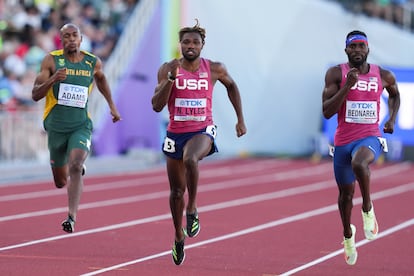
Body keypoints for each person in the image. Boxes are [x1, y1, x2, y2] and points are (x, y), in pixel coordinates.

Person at [151, 20, 247, 265]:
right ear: (180, 45)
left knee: (191, 158)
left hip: (202, 129)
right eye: (186, 42)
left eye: (195, 42)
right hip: (175, 133)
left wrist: (240, 119)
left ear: (203, 45)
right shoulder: (168, 68)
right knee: (175, 192)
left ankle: (192, 209)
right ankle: (177, 235)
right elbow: (156, 105)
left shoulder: (214, 68)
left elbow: (232, 86)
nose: (190, 46)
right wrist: (170, 80)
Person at [32, 23, 121, 233]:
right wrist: (53, 79)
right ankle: (75, 168)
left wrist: (112, 106)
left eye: (75, 36)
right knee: (60, 181)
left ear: (81, 39)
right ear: (61, 41)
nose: (71, 40)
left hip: (80, 125)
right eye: (67, 37)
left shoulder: (92, 62)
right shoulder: (51, 60)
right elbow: (35, 94)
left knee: (75, 165)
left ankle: (71, 217)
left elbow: (102, 80)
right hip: (56, 126)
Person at [322, 30, 400, 265]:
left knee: (360, 163)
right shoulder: (336, 73)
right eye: (352, 47)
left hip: (370, 136)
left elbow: (395, 95)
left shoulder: (383, 75)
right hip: (343, 141)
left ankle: (368, 208)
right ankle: (348, 236)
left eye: (361, 46)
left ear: (368, 49)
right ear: (346, 50)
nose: (357, 50)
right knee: (345, 196)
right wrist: (347, 87)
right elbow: (327, 111)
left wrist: (391, 119)